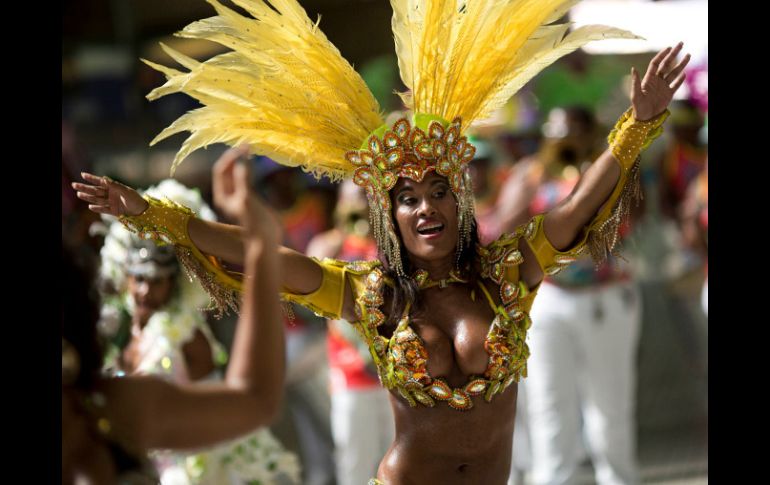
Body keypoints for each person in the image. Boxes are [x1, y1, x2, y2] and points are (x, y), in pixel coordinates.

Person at [75, 1, 690, 482]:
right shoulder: (369, 295)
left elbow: (579, 207)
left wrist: (637, 124)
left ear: (461, 201)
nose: (426, 207)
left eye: (439, 191)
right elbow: (260, 257)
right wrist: (155, 214)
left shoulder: (509, 272)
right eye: (407, 198)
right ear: (389, 216)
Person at [64, 149, 287, 484]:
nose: (144, 291)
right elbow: (255, 399)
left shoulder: (187, 343)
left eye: (155, 280)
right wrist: (261, 245)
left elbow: (243, 408)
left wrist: (260, 247)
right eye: (138, 278)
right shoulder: (115, 348)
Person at [502, 106, 645, 484]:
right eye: (558, 131)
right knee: (548, 406)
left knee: (610, 407)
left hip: (606, 297)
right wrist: (532, 181)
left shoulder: (613, 168)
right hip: (549, 299)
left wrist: (599, 177)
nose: (567, 138)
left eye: (575, 131)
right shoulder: (532, 173)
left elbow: (633, 220)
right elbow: (503, 225)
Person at [306, 180, 396, 485]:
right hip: (351, 374)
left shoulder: (388, 244)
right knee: (355, 464)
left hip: (392, 372)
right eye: (354, 199)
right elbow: (315, 273)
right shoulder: (330, 244)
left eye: (366, 199)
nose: (360, 206)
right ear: (340, 203)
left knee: (395, 461)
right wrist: (343, 233)